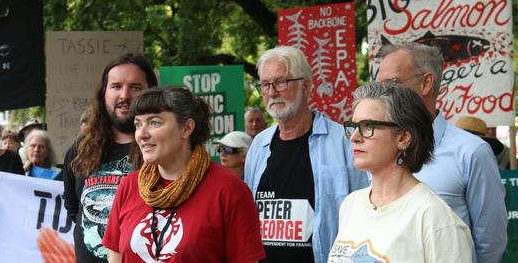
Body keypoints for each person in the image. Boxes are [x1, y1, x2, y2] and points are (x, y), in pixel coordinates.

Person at [376, 42, 507, 263]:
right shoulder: (375, 150)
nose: (382, 95)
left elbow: (490, 243)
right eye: (379, 86)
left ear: (426, 83)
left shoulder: (472, 152)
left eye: (391, 83)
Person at [103, 86, 265, 262]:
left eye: (154, 122)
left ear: (187, 128)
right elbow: (115, 257)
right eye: (137, 124)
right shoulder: (129, 186)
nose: (141, 134)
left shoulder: (229, 190)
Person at [244, 46, 369, 263]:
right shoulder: (259, 146)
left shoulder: (343, 142)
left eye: (281, 82)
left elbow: (366, 214)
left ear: (306, 86)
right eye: (265, 85)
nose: (272, 92)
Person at [329, 81, 473, 262]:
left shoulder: (434, 218)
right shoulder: (351, 204)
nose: (355, 137)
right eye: (353, 126)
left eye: (368, 127)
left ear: (404, 137)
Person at [63, 53, 158, 263]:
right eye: (116, 86)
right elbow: (73, 209)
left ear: (151, 93)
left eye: (136, 87)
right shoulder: (80, 149)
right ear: (104, 93)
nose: (125, 95)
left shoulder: (162, 149)